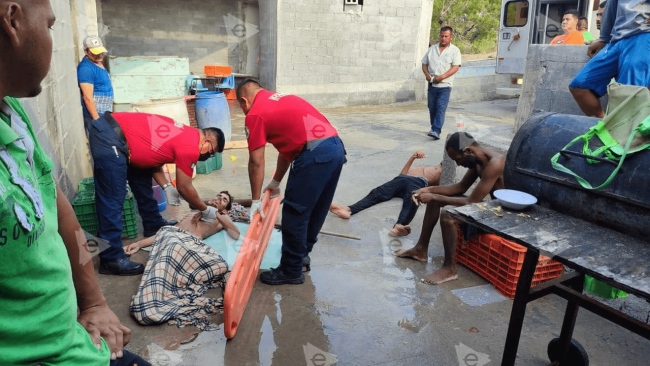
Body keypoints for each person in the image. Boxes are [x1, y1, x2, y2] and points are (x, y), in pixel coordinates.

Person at [0, 1, 148, 365]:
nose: (51, 36)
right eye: (49, 25)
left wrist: (94, 301)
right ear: (13, 20)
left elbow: (58, 207)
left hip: (74, 341)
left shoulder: (13, 110)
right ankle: (112, 256)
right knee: (112, 198)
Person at [236, 79, 346, 285]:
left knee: (294, 213)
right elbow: (287, 149)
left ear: (244, 100)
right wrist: (276, 181)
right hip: (335, 148)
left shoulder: (255, 113)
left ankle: (291, 270)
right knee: (316, 208)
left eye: (241, 107)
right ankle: (301, 256)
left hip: (314, 155)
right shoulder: (281, 98)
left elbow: (256, 161)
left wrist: (256, 199)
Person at [87, 111, 225, 275]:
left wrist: (166, 186)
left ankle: (153, 224)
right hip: (110, 137)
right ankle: (110, 259)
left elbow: (153, 158)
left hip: (118, 135)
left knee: (141, 176)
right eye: (211, 151)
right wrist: (205, 209)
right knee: (112, 199)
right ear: (207, 141)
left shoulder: (185, 133)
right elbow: (185, 187)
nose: (208, 155)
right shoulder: (191, 146)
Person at [394, 132, 505, 285]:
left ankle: (449, 269)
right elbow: (460, 187)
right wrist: (429, 190)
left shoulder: (495, 162)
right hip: (489, 206)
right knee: (434, 201)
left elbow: (471, 201)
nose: (459, 164)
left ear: (468, 151)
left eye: (458, 160)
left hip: (502, 212)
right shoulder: (478, 159)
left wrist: (434, 196)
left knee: (448, 215)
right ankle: (420, 250)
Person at [330, 151, 442, 236]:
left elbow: (441, 188)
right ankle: (349, 209)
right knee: (377, 193)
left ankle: (400, 225)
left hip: (419, 183)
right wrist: (412, 158)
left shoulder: (442, 172)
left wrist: (426, 191)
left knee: (412, 201)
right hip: (401, 178)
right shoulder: (426, 166)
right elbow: (402, 174)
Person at [569, 0, 650, 118]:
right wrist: (603, 39)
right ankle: (606, 125)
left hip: (642, 36)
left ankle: (625, 133)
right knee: (579, 85)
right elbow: (611, 9)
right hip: (616, 40)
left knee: (627, 92)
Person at [124, 191, 241, 254]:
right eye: (219, 196)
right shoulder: (194, 213)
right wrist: (139, 244)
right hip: (171, 238)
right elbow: (167, 233)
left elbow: (236, 234)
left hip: (187, 244)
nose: (220, 199)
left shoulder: (220, 218)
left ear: (226, 209)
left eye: (224, 200)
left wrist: (211, 211)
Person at [421, 26, 461, 140]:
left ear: (451, 37)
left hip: (445, 86)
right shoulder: (432, 49)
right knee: (432, 107)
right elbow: (424, 64)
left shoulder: (455, 50)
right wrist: (427, 74)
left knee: (440, 107)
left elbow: (456, 67)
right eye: (442, 36)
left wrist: (442, 77)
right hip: (432, 84)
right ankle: (434, 127)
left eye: (446, 36)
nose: (443, 38)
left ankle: (436, 130)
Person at [77, 35, 113, 129]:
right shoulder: (86, 69)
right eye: (95, 53)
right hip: (97, 116)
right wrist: (97, 121)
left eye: (101, 52)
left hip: (104, 113)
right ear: (86, 51)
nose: (99, 55)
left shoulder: (97, 62)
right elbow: (88, 97)